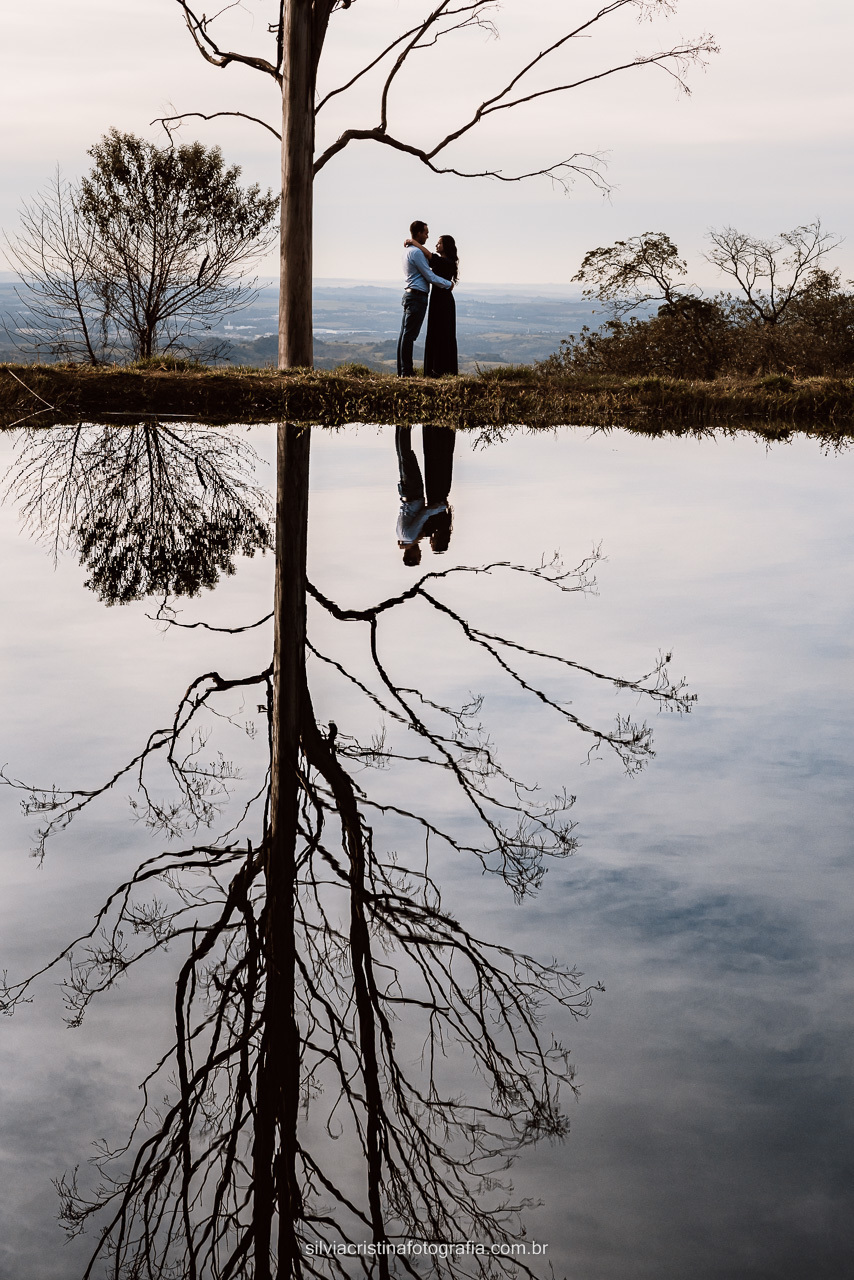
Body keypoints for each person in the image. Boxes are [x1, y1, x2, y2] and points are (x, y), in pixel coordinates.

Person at [397, 220, 454, 377]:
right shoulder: (416, 252)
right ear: (419, 233)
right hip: (416, 296)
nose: (427, 236)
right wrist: (448, 284)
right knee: (409, 336)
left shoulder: (408, 251)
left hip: (411, 295)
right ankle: (406, 372)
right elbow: (429, 275)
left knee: (405, 335)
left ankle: (403, 371)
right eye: (426, 233)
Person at [395, 424, 455, 566]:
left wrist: (441, 507)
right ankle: (402, 427)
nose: (421, 553)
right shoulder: (404, 537)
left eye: (419, 556)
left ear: (413, 556)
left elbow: (424, 515)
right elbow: (422, 519)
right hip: (409, 494)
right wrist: (413, 541)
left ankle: (403, 426)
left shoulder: (410, 536)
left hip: (413, 493)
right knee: (403, 456)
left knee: (406, 455)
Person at [413, 234, 459, 377]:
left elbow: (429, 255)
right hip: (439, 299)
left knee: (442, 334)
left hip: (443, 302)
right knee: (436, 333)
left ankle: (440, 369)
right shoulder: (444, 261)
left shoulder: (447, 262)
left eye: (439, 243)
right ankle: (437, 369)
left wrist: (413, 242)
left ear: (446, 246)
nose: (436, 245)